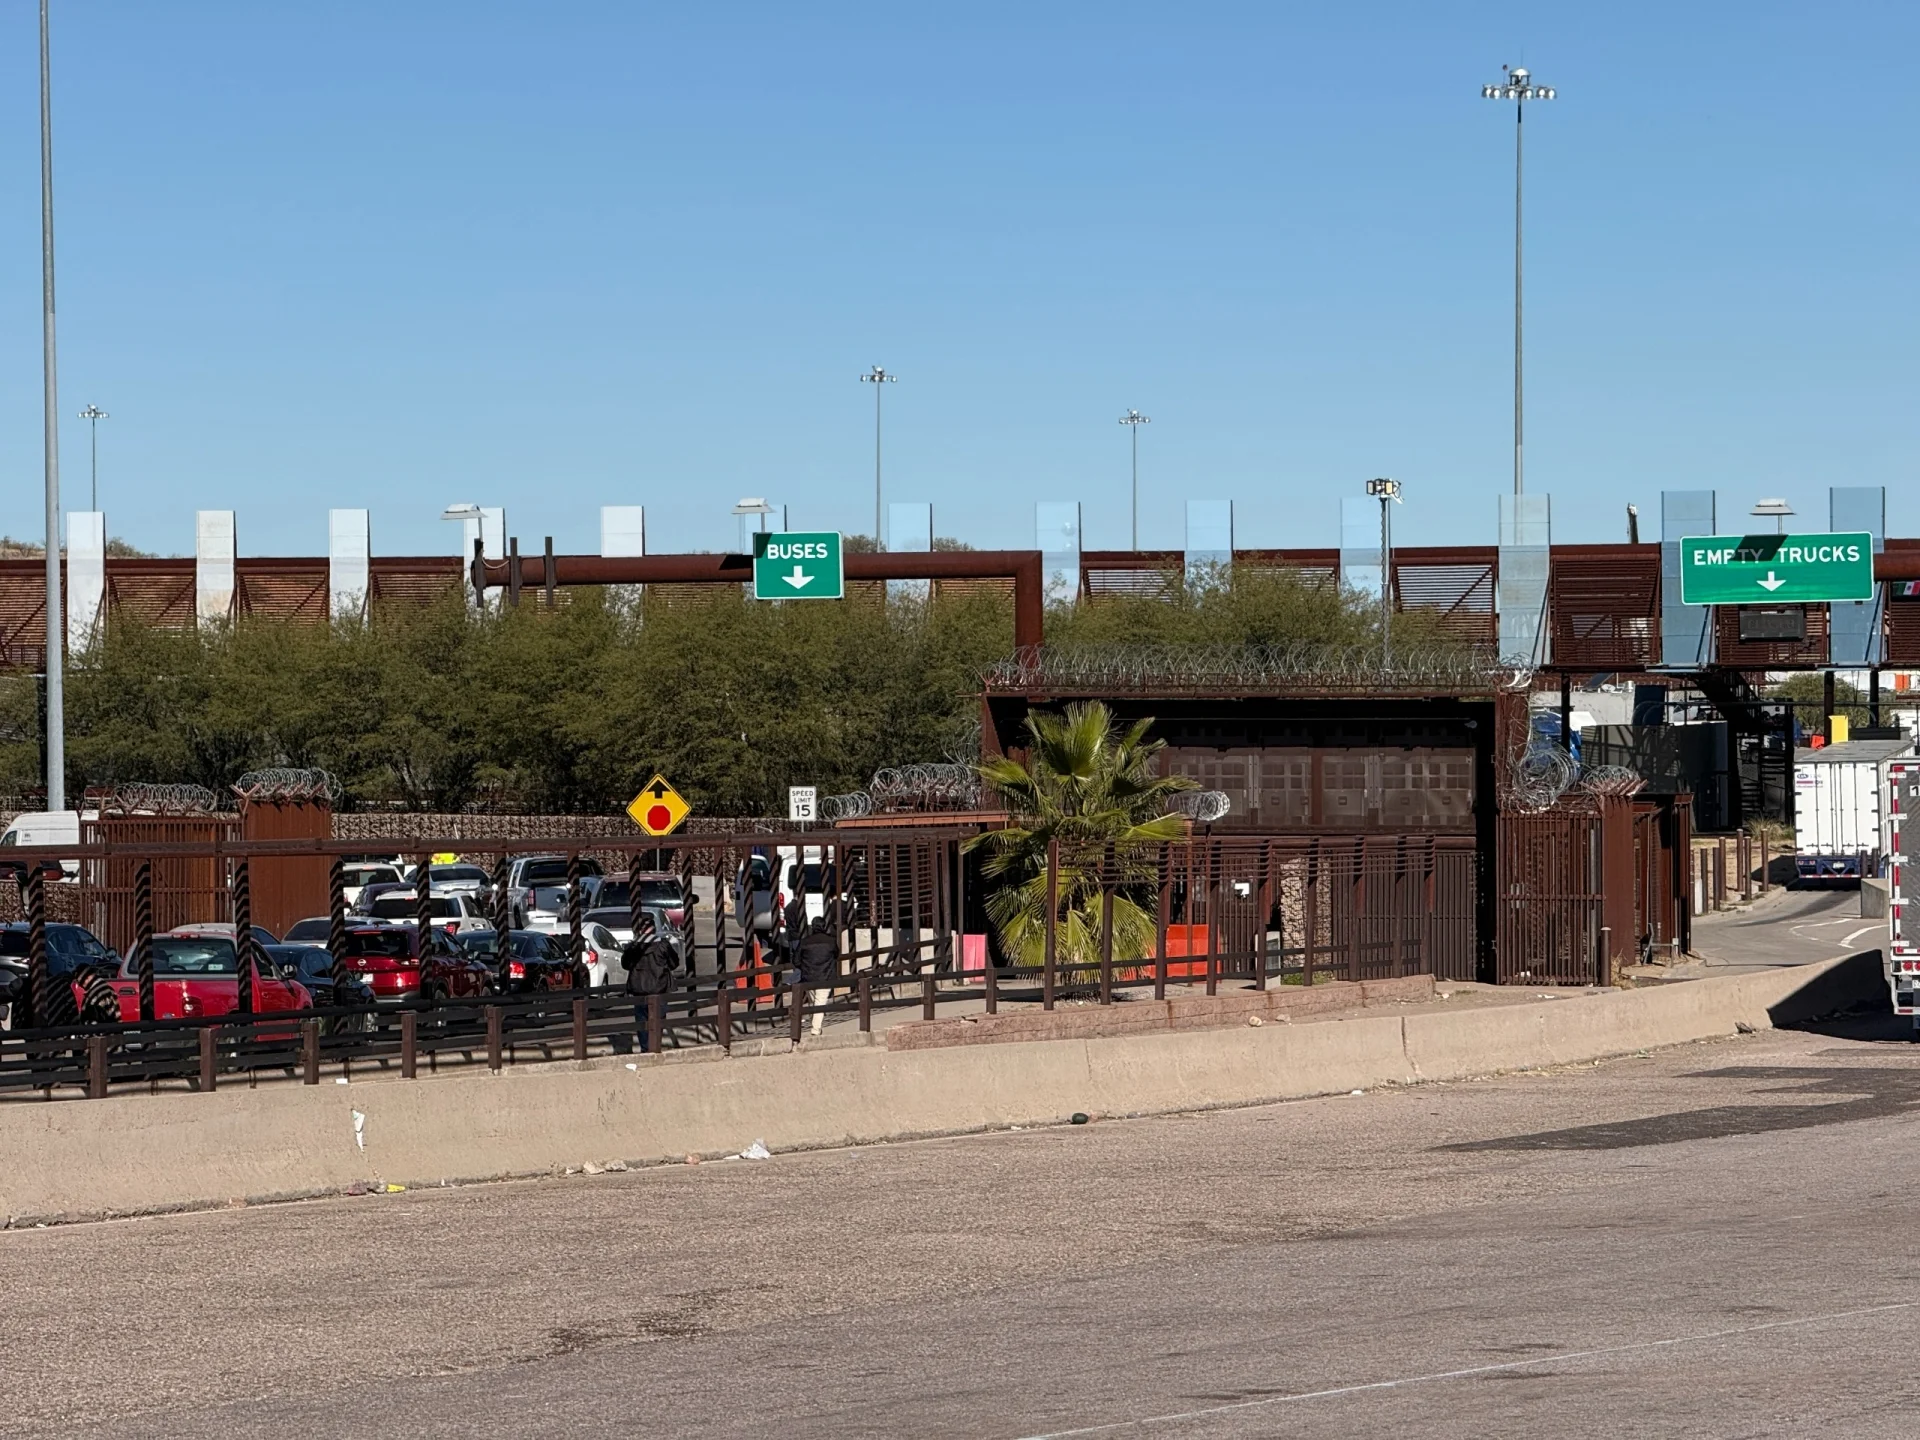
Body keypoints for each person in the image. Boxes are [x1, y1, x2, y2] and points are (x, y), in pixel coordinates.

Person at [622, 915, 678, 1054]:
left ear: (640, 930)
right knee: (659, 1020)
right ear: (653, 928)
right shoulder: (662, 945)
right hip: (660, 988)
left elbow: (625, 964)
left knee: (642, 1021)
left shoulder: (633, 946)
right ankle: (655, 1047)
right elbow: (674, 963)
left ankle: (645, 1048)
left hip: (639, 989)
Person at [795, 916, 839, 1039]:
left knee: (814, 1002)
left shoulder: (805, 941)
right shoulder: (831, 941)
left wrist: (805, 967)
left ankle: (815, 1026)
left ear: (812, 927)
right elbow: (837, 955)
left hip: (808, 977)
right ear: (824, 926)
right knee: (820, 1003)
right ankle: (815, 1029)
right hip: (825, 976)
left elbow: (796, 960)